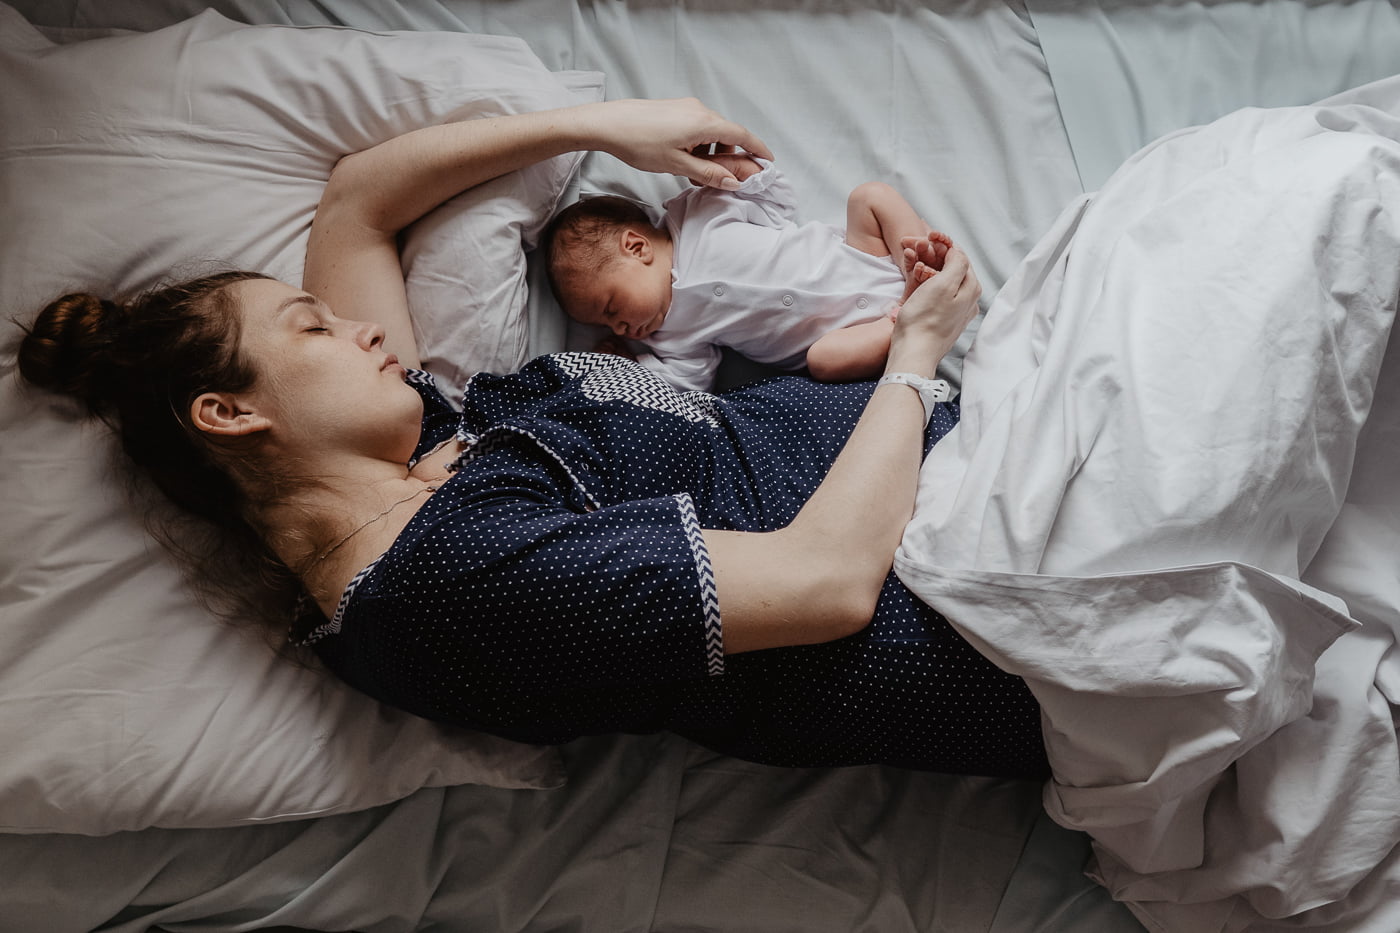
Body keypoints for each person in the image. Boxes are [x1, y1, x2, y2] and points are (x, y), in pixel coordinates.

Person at [17, 97, 1047, 778]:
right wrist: (915, 351)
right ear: (233, 413)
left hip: (980, 463)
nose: (361, 329)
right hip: (990, 593)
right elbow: (825, 584)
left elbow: (359, 201)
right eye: (311, 330)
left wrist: (609, 129)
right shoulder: (444, 584)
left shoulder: (427, 441)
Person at [543, 158, 953, 391]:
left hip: (862, 256)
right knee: (823, 362)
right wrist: (631, 367)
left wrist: (742, 170)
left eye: (611, 307)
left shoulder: (698, 211)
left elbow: (778, 202)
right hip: (850, 333)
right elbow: (689, 383)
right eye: (607, 325)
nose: (619, 327)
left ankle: (917, 264)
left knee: (870, 196)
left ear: (637, 248)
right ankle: (905, 317)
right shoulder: (669, 337)